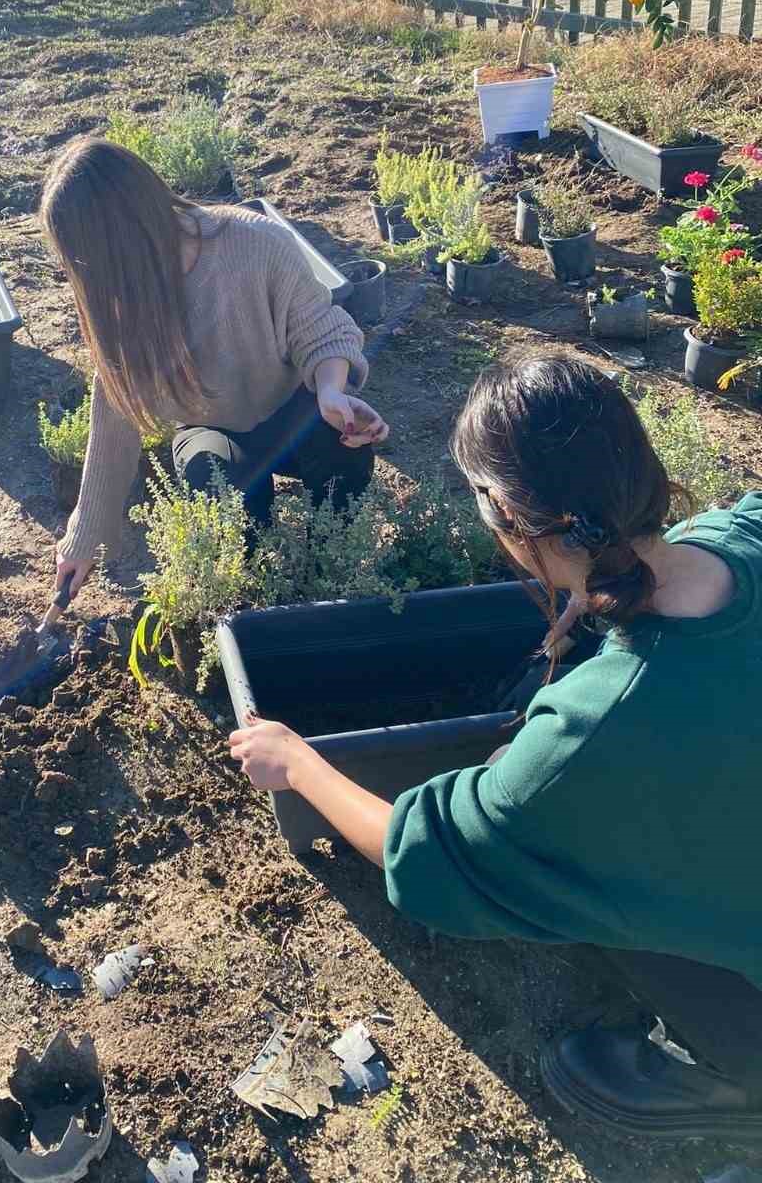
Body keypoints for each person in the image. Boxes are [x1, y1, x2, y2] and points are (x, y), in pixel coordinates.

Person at [229, 356, 762, 1141]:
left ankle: (734, 1077)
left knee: (609, 892)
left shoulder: (586, 741)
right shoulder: (740, 532)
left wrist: (300, 763)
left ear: (506, 514)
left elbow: (424, 849)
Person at [41, 138, 389, 597]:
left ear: (123, 236)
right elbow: (116, 416)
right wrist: (82, 538)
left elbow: (323, 331)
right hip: (212, 431)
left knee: (343, 448)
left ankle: (335, 579)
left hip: (292, 411)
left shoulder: (255, 243)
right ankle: (263, 594)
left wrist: (331, 393)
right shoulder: (123, 298)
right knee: (223, 492)